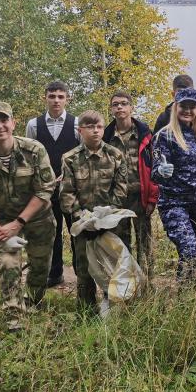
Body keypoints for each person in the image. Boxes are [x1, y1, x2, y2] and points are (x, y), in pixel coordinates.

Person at [0, 102, 57, 331]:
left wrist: (20, 223)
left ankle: (34, 302)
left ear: (13, 123)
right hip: (2, 219)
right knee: (8, 262)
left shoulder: (34, 150)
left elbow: (45, 189)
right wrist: (1, 231)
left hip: (37, 218)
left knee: (40, 265)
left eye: (4, 120)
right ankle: (13, 314)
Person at [59, 110, 128, 310]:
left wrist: (107, 216)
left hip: (111, 222)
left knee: (112, 266)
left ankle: (113, 309)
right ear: (80, 130)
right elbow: (67, 193)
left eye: (99, 126)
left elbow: (121, 189)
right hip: (83, 225)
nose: (95, 131)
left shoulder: (115, 155)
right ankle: (86, 311)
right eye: (90, 127)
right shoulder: (70, 158)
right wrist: (85, 219)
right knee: (84, 267)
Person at [152, 88, 196, 281]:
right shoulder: (165, 136)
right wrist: (161, 172)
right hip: (174, 204)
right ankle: (186, 294)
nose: (188, 110)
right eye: (183, 106)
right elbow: (155, 173)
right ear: (176, 107)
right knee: (190, 250)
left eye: (192, 107)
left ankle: (190, 294)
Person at [25, 81, 79, 288]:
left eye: (60, 96)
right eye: (52, 96)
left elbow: (81, 157)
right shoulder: (33, 125)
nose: (56, 100)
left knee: (76, 231)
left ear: (67, 98)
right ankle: (55, 273)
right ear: (45, 98)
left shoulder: (76, 124)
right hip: (45, 191)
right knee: (52, 233)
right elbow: (30, 157)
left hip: (71, 190)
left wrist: (68, 175)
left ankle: (80, 273)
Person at [103, 91, 159, 279]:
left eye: (124, 103)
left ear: (131, 108)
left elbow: (154, 169)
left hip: (140, 198)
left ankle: (147, 282)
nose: (120, 107)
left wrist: (152, 198)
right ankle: (126, 282)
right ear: (111, 109)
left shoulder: (145, 134)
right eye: (115, 104)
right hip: (117, 199)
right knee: (121, 242)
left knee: (145, 242)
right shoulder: (106, 136)